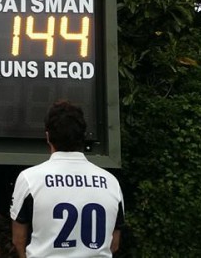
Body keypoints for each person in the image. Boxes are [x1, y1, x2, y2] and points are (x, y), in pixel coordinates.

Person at [10, 101, 124, 258]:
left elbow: (18, 239)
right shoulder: (111, 183)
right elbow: (114, 244)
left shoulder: (29, 179)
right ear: (83, 136)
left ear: (48, 137)